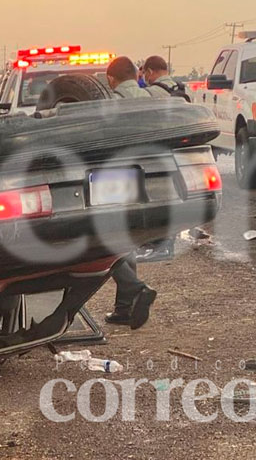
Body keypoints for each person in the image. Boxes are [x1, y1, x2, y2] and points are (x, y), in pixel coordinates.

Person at [103, 57, 157, 328]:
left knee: (103, 240)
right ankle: (124, 308)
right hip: (147, 179)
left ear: (111, 79)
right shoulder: (151, 99)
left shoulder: (109, 103)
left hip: (116, 179)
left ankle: (135, 289)